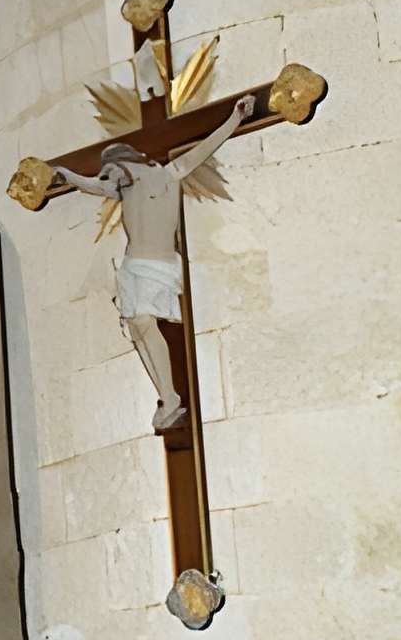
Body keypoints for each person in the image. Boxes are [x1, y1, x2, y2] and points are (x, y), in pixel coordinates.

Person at [59, 93, 257, 430]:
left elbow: (204, 147)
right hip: (138, 266)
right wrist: (67, 174)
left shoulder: (161, 173)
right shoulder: (157, 175)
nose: (111, 175)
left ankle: (171, 397)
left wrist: (235, 119)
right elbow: (98, 185)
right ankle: (167, 400)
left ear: (124, 163)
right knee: (139, 327)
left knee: (144, 326)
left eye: (113, 168)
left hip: (153, 265)